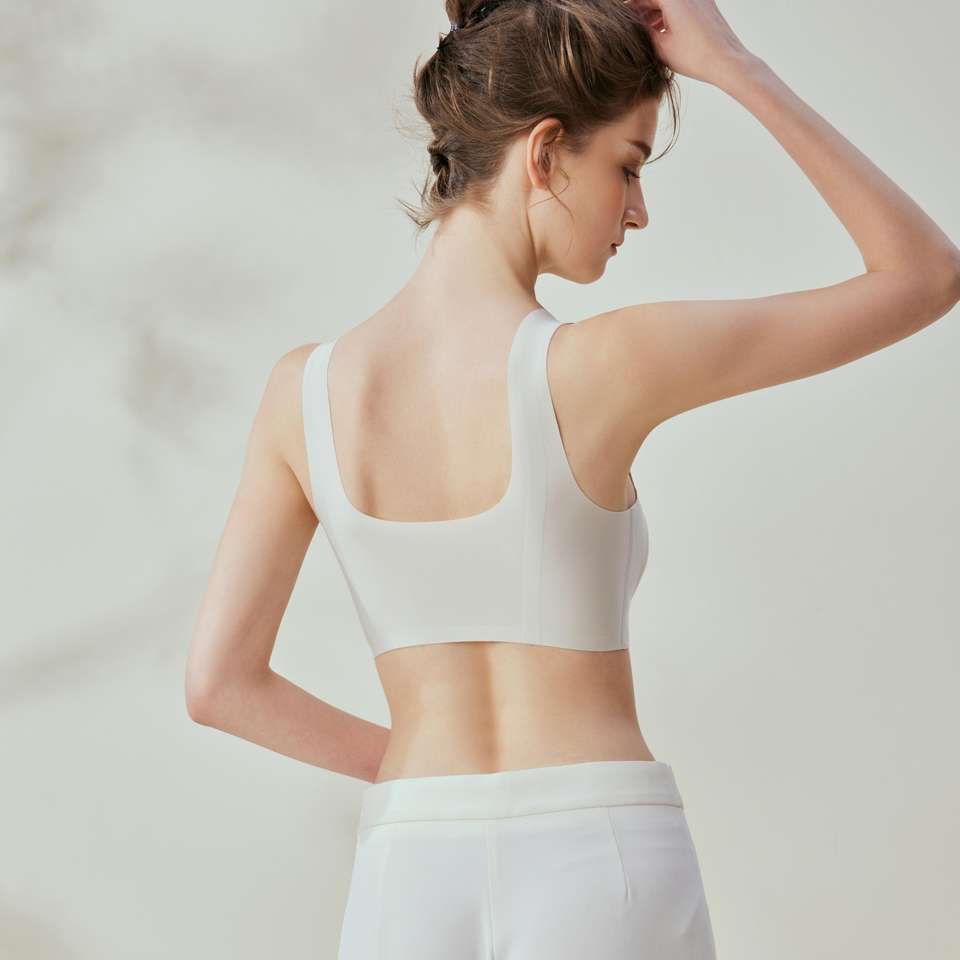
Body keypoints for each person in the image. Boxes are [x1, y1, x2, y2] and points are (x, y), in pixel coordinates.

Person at [184, 1, 960, 957]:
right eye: (628, 166)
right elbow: (925, 273)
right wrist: (735, 64)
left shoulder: (302, 393)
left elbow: (219, 684)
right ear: (547, 152)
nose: (639, 209)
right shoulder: (606, 365)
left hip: (410, 865)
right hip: (599, 856)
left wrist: (423, 779)